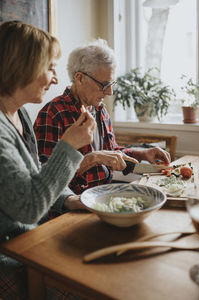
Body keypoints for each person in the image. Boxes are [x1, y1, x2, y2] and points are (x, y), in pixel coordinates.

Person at [0, 20, 96, 300]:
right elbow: (28, 206)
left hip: (32, 242)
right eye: (50, 68)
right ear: (23, 67)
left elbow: (33, 175)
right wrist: (69, 145)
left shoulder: (19, 114)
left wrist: (69, 200)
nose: (55, 79)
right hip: (9, 259)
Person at [34, 39, 171, 202]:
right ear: (79, 78)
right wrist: (93, 158)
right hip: (71, 208)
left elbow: (111, 152)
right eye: (104, 84)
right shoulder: (53, 114)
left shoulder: (99, 109)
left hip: (104, 198)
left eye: (111, 83)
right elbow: (45, 180)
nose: (110, 92)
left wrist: (141, 153)